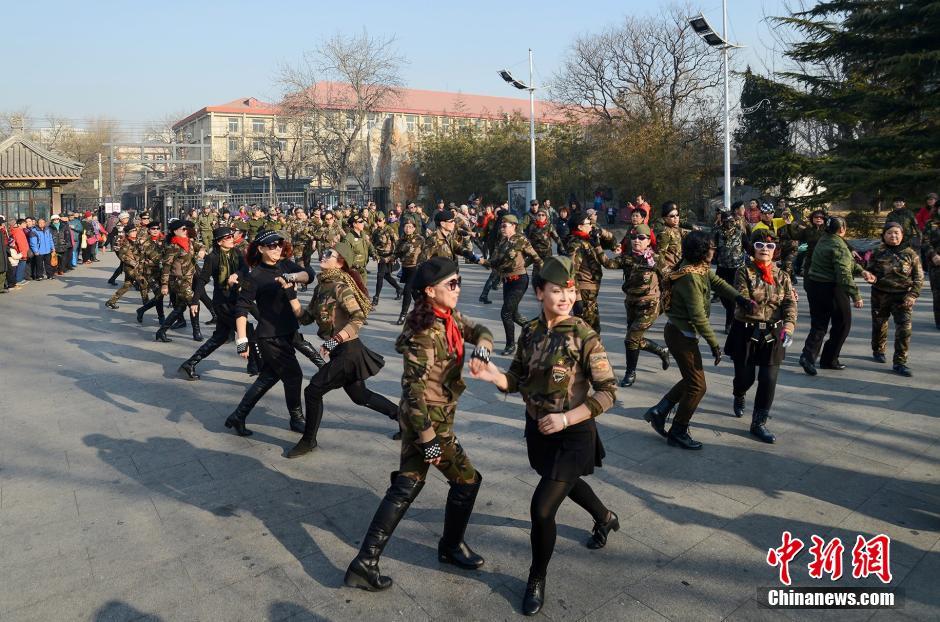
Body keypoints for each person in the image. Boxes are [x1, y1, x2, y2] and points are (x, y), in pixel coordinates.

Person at [472, 256, 619, 616]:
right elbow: (517, 380)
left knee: (541, 509)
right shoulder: (532, 331)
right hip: (539, 429)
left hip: (573, 432)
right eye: (557, 291)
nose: (566, 297)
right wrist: (493, 376)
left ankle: (536, 578)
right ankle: (605, 517)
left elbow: (608, 392)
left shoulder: (585, 335)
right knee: (562, 482)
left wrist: (568, 418)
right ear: (539, 293)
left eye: (570, 291)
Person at [343, 257, 494, 592]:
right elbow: (413, 392)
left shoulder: (448, 316)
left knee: (407, 485)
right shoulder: (425, 333)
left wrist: (481, 351)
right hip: (429, 423)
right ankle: (451, 547)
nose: (458, 288)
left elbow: (481, 331)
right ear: (430, 291)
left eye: (459, 281)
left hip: (425, 422)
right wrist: (429, 440)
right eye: (451, 284)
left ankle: (365, 562)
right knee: (467, 481)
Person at [284, 241, 400, 458]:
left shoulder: (340, 287)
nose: (323, 256)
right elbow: (306, 318)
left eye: (329, 254)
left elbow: (358, 318)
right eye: (325, 252)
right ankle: (403, 418)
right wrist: (291, 296)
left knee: (312, 391)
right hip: (342, 351)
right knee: (360, 395)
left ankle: (308, 440)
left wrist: (334, 340)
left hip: (348, 350)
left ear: (340, 263)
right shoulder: (322, 287)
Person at [643, 231, 753, 450]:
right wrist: (714, 344)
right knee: (698, 386)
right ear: (701, 251)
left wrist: (740, 298)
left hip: (681, 333)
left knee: (691, 379)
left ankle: (660, 411)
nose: (715, 250)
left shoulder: (697, 267)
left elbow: (718, 282)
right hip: (681, 336)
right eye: (711, 247)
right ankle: (678, 430)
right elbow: (698, 316)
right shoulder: (690, 277)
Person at [225, 230, 309, 436]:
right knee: (294, 376)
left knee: (268, 378)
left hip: (288, 330)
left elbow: (309, 276)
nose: (277, 249)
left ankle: (238, 416)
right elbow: (242, 309)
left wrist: (292, 276)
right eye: (271, 246)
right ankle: (297, 419)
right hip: (271, 337)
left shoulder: (285, 265)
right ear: (261, 249)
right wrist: (242, 340)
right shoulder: (254, 276)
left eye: (279, 245)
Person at [725, 230, 797, 443]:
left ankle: (759, 422)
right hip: (746, 330)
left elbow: (789, 303)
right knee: (745, 378)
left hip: (773, 331)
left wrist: (789, 325)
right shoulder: (743, 272)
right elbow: (743, 298)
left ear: (776, 250)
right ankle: (739, 394)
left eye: (770, 246)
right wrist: (753, 305)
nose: (765, 249)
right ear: (752, 248)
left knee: (768, 379)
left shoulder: (782, 276)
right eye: (760, 245)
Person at [799, 216, 876, 375]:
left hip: (815, 285)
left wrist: (862, 271)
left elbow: (847, 262)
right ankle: (829, 359)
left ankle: (808, 356)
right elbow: (844, 273)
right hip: (832, 288)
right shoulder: (839, 245)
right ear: (842, 229)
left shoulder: (824, 239)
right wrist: (856, 295)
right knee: (842, 324)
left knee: (819, 324)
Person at [599, 224, 670, 386]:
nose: (636, 240)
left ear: (648, 241)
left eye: (641, 238)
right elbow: (608, 264)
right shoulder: (628, 257)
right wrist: (597, 245)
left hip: (650, 305)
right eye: (633, 237)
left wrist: (668, 303)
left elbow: (668, 279)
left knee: (630, 339)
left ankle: (630, 373)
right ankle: (661, 351)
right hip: (631, 303)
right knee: (635, 338)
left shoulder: (656, 259)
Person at [177, 227, 249, 381]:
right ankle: (257, 364)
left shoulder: (236, 252)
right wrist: (195, 301)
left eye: (232, 236)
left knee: (220, 336)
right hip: (222, 302)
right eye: (228, 237)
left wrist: (236, 274)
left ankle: (190, 363)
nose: (231, 239)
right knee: (247, 329)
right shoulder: (213, 257)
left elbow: (245, 268)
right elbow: (203, 279)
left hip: (236, 297)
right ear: (219, 241)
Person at [480, 214, 542, 355]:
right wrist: (481, 261)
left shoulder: (521, 239)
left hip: (520, 280)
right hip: (507, 281)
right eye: (501, 225)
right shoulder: (501, 242)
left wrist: (544, 276)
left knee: (505, 313)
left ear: (513, 226)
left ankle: (510, 345)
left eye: (504, 225)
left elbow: (536, 257)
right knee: (513, 314)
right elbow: (494, 261)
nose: (501, 228)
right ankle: (536, 331)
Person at [867, 222, 923, 377]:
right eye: (890, 233)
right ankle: (878, 349)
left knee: (904, 329)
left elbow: (919, 277)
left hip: (902, 297)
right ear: (884, 235)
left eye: (897, 233)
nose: (893, 236)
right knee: (879, 324)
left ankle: (900, 362)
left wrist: (913, 295)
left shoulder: (911, 254)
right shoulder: (877, 251)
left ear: (902, 235)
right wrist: (869, 276)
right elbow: (868, 270)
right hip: (880, 295)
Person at [155, 221, 202, 343]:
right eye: (183, 229)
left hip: (189, 279)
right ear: (175, 231)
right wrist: (164, 285)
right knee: (194, 303)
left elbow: (201, 246)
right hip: (178, 280)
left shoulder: (189, 242)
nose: (186, 230)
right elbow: (166, 266)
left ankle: (161, 331)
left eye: (186, 228)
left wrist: (202, 250)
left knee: (180, 308)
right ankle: (196, 331)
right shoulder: (173, 247)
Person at [565, 213, 608, 332]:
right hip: (584, 292)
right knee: (588, 330)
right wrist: (577, 298)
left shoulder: (587, 240)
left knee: (593, 329)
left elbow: (612, 242)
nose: (591, 226)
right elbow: (571, 272)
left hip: (590, 292)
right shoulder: (576, 244)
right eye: (588, 224)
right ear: (580, 227)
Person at [714, 210, 749, 333]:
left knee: (733, 297)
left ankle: (730, 323)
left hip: (737, 269)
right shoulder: (717, 233)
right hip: (722, 268)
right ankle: (730, 312)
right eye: (726, 221)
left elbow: (748, 248)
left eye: (731, 221)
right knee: (723, 295)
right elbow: (711, 248)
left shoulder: (740, 234)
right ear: (722, 221)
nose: (729, 224)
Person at [105, 227, 144, 310]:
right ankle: (147, 304)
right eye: (132, 231)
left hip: (136, 267)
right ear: (127, 233)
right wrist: (132, 262)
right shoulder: (125, 242)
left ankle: (111, 301)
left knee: (127, 286)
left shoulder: (137, 240)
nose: (134, 232)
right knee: (143, 283)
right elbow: (121, 255)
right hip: (129, 268)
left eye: (135, 230)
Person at [370, 211, 403, 305]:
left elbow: (397, 242)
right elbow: (373, 244)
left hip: (389, 255)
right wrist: (373, 254)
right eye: (376, 220)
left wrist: (395, 255)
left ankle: (376, 297)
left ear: (384, 220)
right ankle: (399, 289)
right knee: (385, 275)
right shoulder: (376, 231)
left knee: (380, 275)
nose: (378, 222)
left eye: (380, 220)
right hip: (380, 256)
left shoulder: (389, 229)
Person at [653, 202, 685, 273]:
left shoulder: (678, 229)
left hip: (678, 267)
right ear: (665, 218)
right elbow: (659, 254)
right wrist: (666, 271)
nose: (676, 217)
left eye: (677, 215)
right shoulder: (665, 233)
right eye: (672, 216)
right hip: (671, 269)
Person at [923, 207, 940, 329]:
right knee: (938, 293)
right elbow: (925, 242)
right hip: (936, 262)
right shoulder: (931, 223)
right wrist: (933, 255)